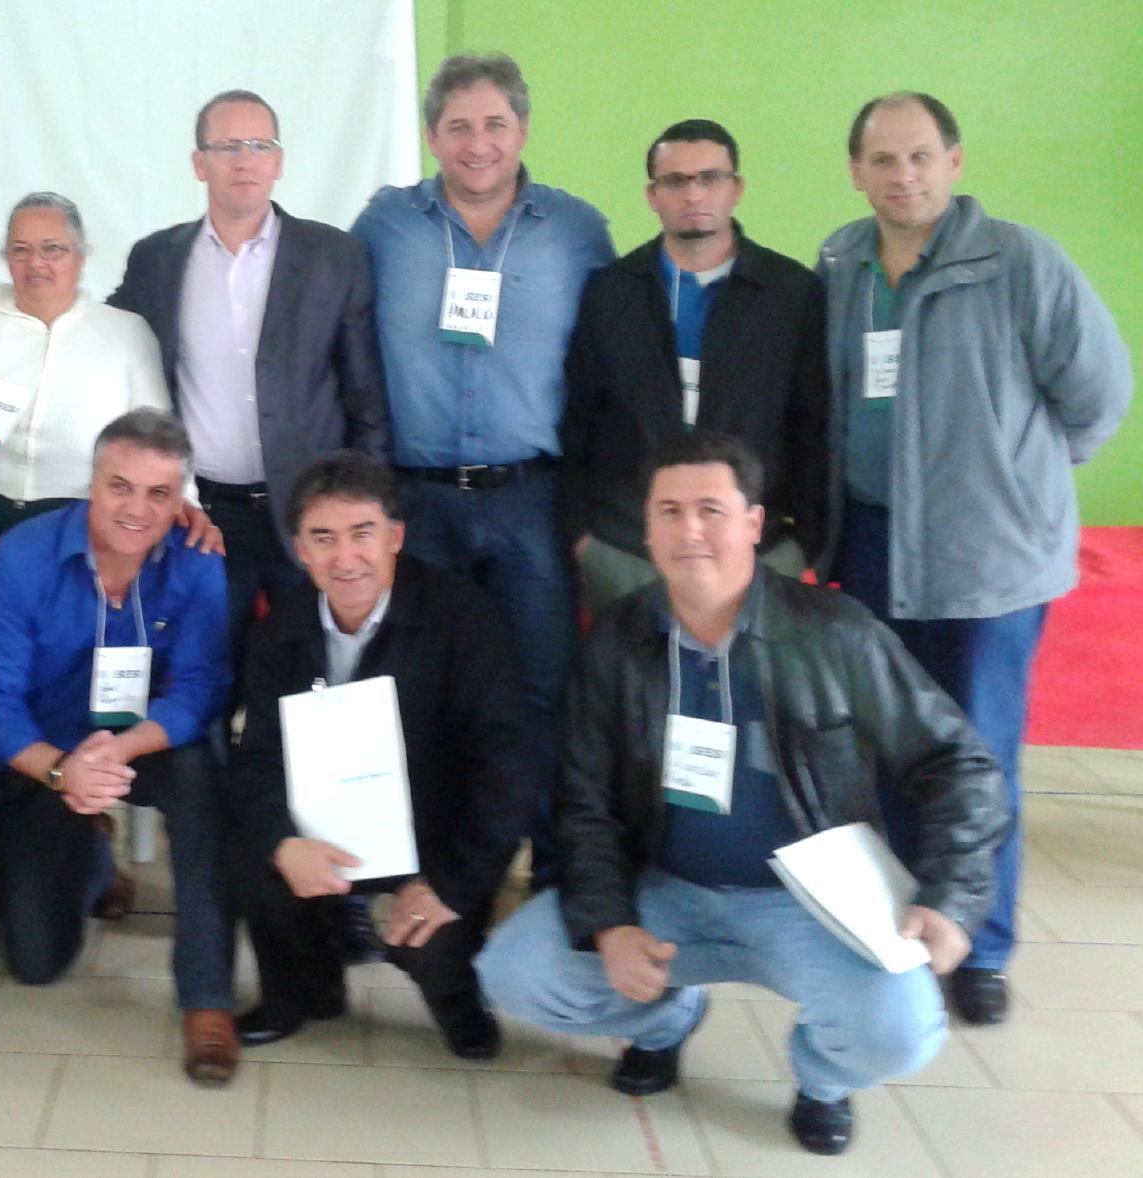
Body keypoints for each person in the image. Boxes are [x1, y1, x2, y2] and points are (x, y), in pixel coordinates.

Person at [477, 431, 1007, 1156]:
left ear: (753, 523)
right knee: (515, 972)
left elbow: (957, 763)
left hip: (809, 905)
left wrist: (949, 894)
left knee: (900, 1032)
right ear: (646, 529)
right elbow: (584, 800)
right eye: (668, 512)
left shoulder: (835, 635)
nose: (689, 530)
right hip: (665, 889)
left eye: (711, 510)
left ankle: (822, 1080)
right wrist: (611, 924)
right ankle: (665, 1022)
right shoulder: (617, 642)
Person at [819, 92, 1132, 1024]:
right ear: (855, 171)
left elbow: (1099, 394)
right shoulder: (840, 264)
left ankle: (978, 947)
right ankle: (896, 925)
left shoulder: (1020, 262)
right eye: (883, 159)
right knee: (884, 750)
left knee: (978, 755)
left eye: (920, 155)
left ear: (954, 162)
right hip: (871, 543)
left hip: (986, 557)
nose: (903, 175)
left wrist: (1017, 482)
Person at [352, 53, 614, 883]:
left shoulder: (576, 231)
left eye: (494, 124)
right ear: (431, 135)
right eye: (458, 126)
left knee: (542, 692)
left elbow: (610, 367)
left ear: (522, 130)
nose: (477, 143)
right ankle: (429, 876)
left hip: (530, 500)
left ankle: (553, 876)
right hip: (416, 502)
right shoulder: (384, 227)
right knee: (422, 690)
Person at [227, 452, 530, 1058]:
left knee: (431, 947)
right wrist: (284, 845)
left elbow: (507, 766)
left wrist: (451, 884)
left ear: (395, 536)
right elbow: (257, 760)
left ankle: (460, 1004)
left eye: (362, 533)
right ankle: (303, 994)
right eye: (323, 538)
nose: (345, 558)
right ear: (300, 551)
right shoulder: (279, 630)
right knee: (249, 858)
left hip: (432, 839)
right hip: (323, 830)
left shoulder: (463, 618)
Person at [0, 407, 238, 1084]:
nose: (137, 510)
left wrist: (123, 750)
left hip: (149, 744)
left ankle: (207, 999)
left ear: (180, 501)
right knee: (35, 964)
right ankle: (94, 852)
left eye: (158, 494)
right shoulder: (18, 561)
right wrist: (65, 774)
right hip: (48, 758)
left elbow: (203, 687)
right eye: (120, 486)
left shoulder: (197, 562)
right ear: (91, 483)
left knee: (203, 782)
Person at [111, 89, 388, 649]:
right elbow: (105, 342)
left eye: (260, 146)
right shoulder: (156, 260)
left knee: (317, 666)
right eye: (228, 147)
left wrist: (368, 509)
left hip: (312, 511)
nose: (245, 160)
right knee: (205, 666)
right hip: (205, 517)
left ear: (279, 161)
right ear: (199, 163)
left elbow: (366, 398)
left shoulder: (334, 257)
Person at [562, 119, 828, 608]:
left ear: (736, 189)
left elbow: (814, 426)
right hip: (627, 552)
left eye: (710, 178)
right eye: (676, 181)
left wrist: (807, 543)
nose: (694, 194)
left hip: (757, 551)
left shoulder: (791, 293)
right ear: (653, 195)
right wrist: (581, 538)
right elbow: (578, 420)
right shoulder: (611, 292)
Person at [0, 191, 172, 571]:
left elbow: (160, 443)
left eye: (52, 249)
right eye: (20, 250)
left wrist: (186, 502)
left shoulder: (127, 334)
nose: (35, 263)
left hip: (81, 532)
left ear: (81, 256)